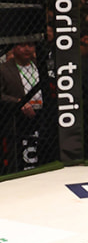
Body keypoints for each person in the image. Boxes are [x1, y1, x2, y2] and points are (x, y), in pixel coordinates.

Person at [0, 41, 43, 170]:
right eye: (22, 45)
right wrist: (18, 102)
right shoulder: (3, 69)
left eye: (30, 45)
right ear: (14, 47)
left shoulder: (40, 65)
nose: (27, 49)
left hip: (42, 114)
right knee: (22, 157)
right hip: (17, 118)